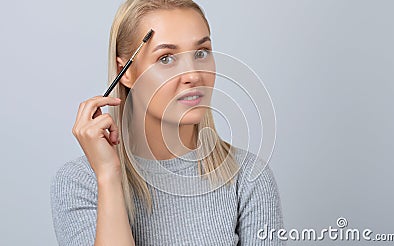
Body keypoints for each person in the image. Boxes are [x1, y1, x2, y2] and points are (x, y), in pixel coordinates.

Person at [50, 0, 285, 245]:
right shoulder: (80, 182)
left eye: (201, 53)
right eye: (166, 58)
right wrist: (109, 176)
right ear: (126, 72)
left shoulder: (248, 178)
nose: (193, 75)